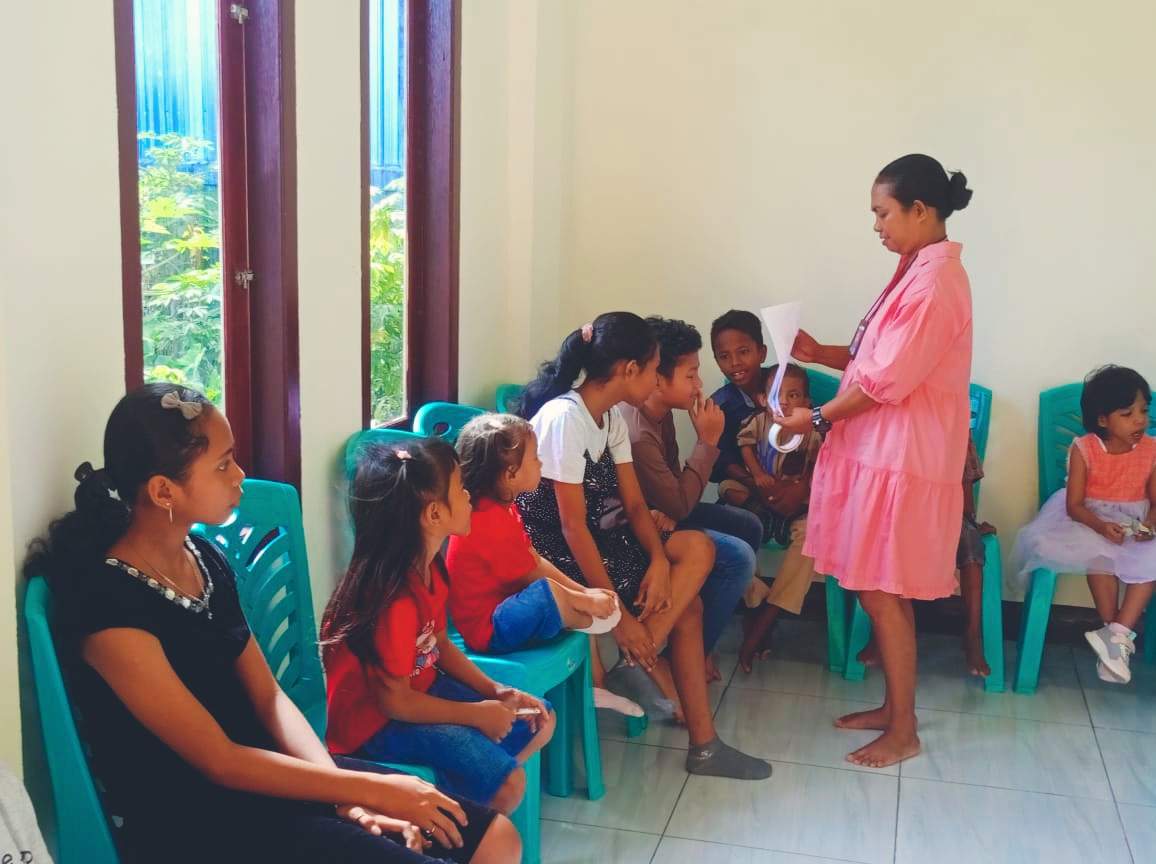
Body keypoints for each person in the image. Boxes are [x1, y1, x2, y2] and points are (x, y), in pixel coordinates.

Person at [26, 384, 520, 864]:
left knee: (495, 837)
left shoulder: (203, 559)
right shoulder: (107, 605)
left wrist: (343, 797)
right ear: (163, 491)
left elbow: (269, 697)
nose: (239, 474)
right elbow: (218, 759)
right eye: (222, 465)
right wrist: (368, 789)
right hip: (202, 822)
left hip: (270, 776)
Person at [776, 154, 975, 769]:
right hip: (878, 455)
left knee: (884, 592)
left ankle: (904, 728)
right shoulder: (916, 268)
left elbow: (885, 383)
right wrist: (822, 352)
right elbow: (876, 358)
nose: (877, 226)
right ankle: (893, 710)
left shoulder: (936, 283)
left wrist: (812, 420)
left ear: (920, 210)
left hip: (900, 462)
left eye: (883, 213)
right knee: (873, 587)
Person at [516, 311, 771, 780]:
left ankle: (650, 663)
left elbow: (634, 506)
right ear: (630, 369)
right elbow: (569, 528)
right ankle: (644, 656)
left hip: (602, 538)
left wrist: (657, 559)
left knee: (696, 549)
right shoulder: (564, 418)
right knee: (690, 607)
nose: (658, 380)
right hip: (557, 555)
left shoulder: (608, 416)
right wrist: (622, 616)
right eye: (656, 369)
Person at [323, 438, 555, 815]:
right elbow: (394, 702)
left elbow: (439, 642)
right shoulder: (392, 602)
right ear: (433, 515)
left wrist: (496, 691)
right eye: (460, 489)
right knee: (509, 784)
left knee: (539, 719)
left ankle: (458, 793)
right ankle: (456, 823)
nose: (468, 497)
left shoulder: (430, 566)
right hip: (375, 727)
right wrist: (476, 714)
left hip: (423, 690)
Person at [617, 316, 757, 680]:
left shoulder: (662, 412)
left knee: (748, 526)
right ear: (658, 379)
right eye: (691, 375)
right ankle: (687, 658)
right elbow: (679, 501)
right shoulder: (636, 432)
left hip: (664, 513)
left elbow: (677, 493)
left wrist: (674, 510)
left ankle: (694, 641)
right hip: (631, 528)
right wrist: (707, 443)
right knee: (737, 557)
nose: (699, 385)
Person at [1013, 365, 1156, 684]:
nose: (1140, 420)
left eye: (1144, 411)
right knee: (1098, 557)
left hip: (1135, 524)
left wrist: (1149, 524)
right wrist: (1102, 526)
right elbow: (1074, 504)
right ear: (1103, 419)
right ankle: (1114, 639)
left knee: (1152, 562)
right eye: (1128, 413)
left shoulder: (1152, 450)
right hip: (1087, 521)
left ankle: (1117, 635)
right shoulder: (1085, 448)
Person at [447, 412, 622, 655]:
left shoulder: (503, 506)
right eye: (535, 457)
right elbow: (531, 575)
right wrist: (585, 600)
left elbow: (534, 560)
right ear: (510, 474)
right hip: (488, 628)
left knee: (551, 590)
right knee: (546, 594)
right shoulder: (486, 519)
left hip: (509, 604)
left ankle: (580, 613)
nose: (541, 463)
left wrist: (583, 591)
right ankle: (583, 618)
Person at [726, 363, 823, 672]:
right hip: (757, 493)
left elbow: (818, 466)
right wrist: (757, 480)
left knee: (812, 536)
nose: (785, 403)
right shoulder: (758, 422)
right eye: (777, 396)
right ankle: (756, 596)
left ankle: (767, 615)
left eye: (793, 395)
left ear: (807, 404)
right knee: (728, 496)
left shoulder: (812, 432)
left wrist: (798, 487)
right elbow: (744, 447)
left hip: (795, 500)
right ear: (763, 400)